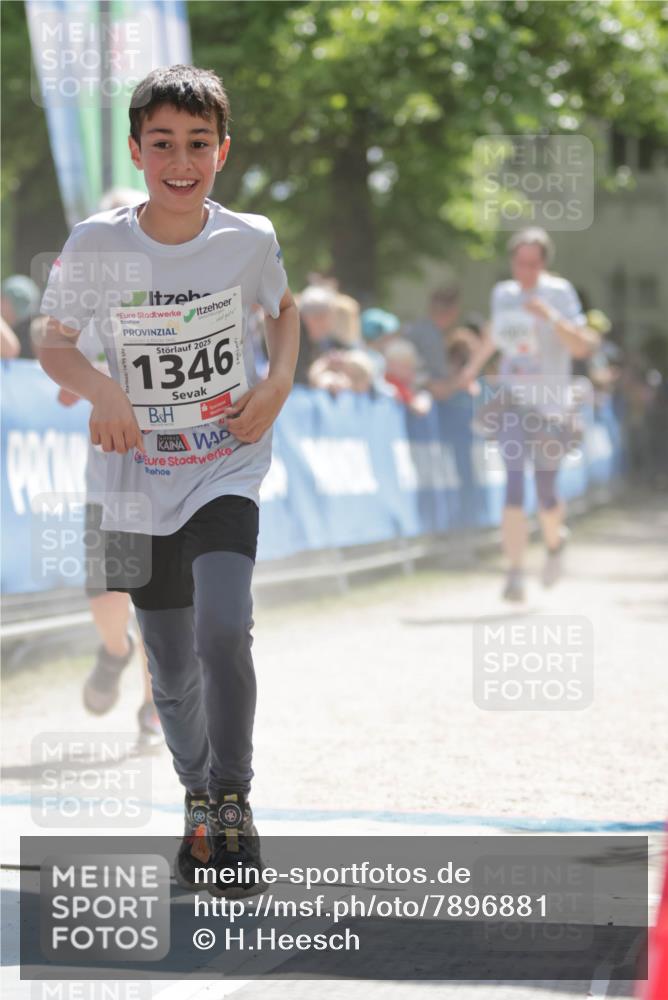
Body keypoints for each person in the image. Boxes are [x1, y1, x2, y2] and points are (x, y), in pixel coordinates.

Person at [38, 65, 299, 896]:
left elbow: (284, 313)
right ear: (135, 149)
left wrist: (278, 381)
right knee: (172, 665)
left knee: (225, 628)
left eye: (197, 144)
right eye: (162, 144)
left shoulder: (249, 238)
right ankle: (195, 798)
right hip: (130, 480)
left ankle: (234, 803)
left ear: (222, 151)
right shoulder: (98, 243)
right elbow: (55, 342)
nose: (179, 161)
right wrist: (104, 389)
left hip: (225, 463)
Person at [488, 227, 599, 601]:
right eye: (520, 263)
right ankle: (515, 572)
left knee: (546, 492)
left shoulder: (560, 292)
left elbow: (582, 347)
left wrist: (550, 317)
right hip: (511, 402)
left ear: (544, 264)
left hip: (551, 406)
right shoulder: (503, 294)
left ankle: (555, 543)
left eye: (533, 264)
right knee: (514, 483)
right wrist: (469, 373)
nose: (526, 271)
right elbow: (499, 341)